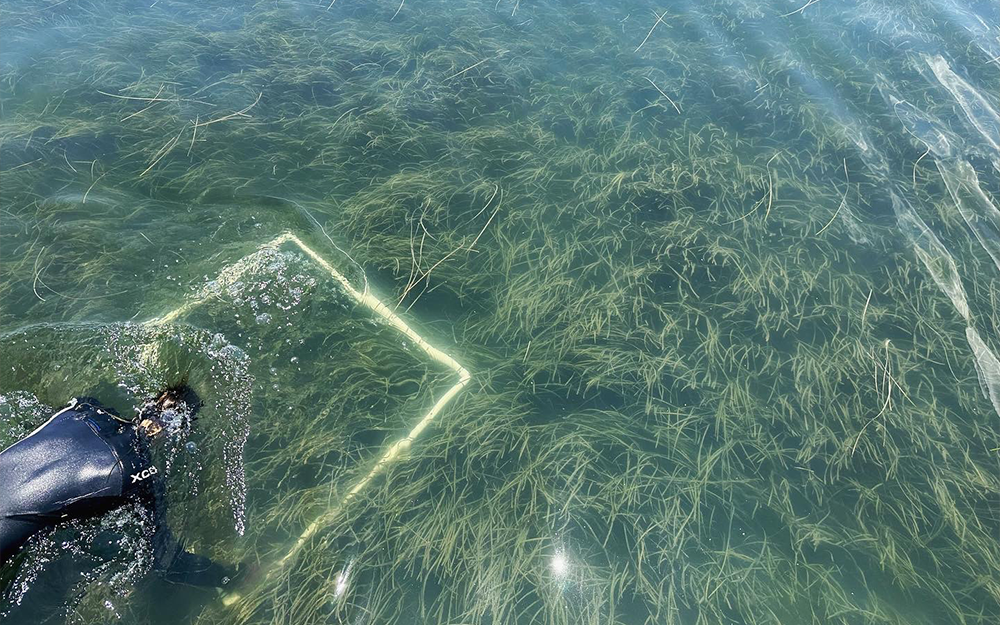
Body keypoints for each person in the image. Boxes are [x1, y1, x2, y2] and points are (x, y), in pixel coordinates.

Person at [0, 386, 238, 589]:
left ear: (149, 404)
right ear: (178, 431)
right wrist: (231, 577)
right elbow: (167, 562)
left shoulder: (86, 408)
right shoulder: (137, 474)